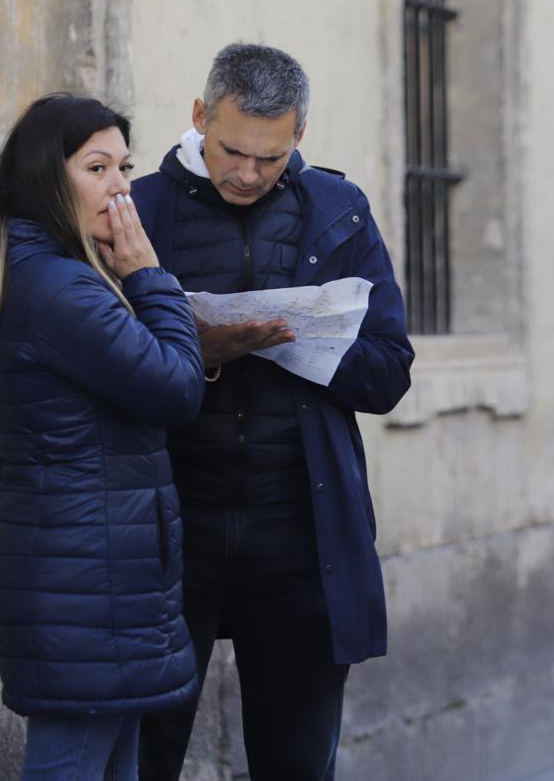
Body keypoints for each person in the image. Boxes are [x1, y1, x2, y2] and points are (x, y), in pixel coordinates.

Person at [133, 43, 413, 780]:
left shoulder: (339, 212)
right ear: (199, 116)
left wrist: (300, 344)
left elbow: (389, 374)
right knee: (137, 759)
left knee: (296, 762)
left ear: (299, 134)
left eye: (271, 156)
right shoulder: (138, 212)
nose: (249, 174)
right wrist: (206, 348)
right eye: (232, 150)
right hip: (166, 532)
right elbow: (99, 366)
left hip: (302, 536)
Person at [0, 93, 207, 780]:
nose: (120, 186)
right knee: (71, 763)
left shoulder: (43, 270)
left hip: (90, 565)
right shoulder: (54, 285)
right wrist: (147, 276)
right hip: (89, 571)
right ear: (49, 176)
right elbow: (175, 390)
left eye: (125, 167)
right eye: (97, 167)